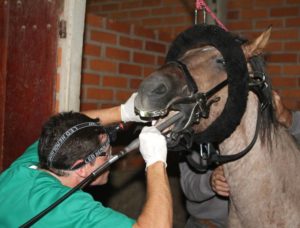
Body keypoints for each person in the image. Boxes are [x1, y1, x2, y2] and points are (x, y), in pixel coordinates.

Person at [0, 94, 172, 227]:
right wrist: (156, 162)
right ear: (81, 168)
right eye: (106, 153)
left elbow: (69, 129)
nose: (111, 157)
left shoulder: (31, 164)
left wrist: (124, 112)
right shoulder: (67, 208)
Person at [180, 91, 300, 228]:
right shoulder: (195, 126)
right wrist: (210, 181)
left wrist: (288, 118)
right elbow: (189, 186)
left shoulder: (257, 109)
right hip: (209, 224)